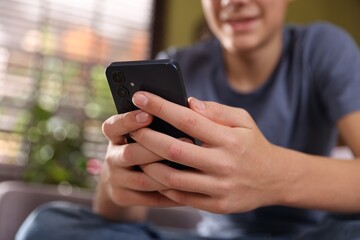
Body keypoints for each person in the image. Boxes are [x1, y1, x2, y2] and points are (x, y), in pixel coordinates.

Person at [16, 0, 360, 239]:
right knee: (49, 227)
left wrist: (272, 176)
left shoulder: (323, 48)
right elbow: (123, 217)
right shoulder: (179, 64)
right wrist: (118, 177)